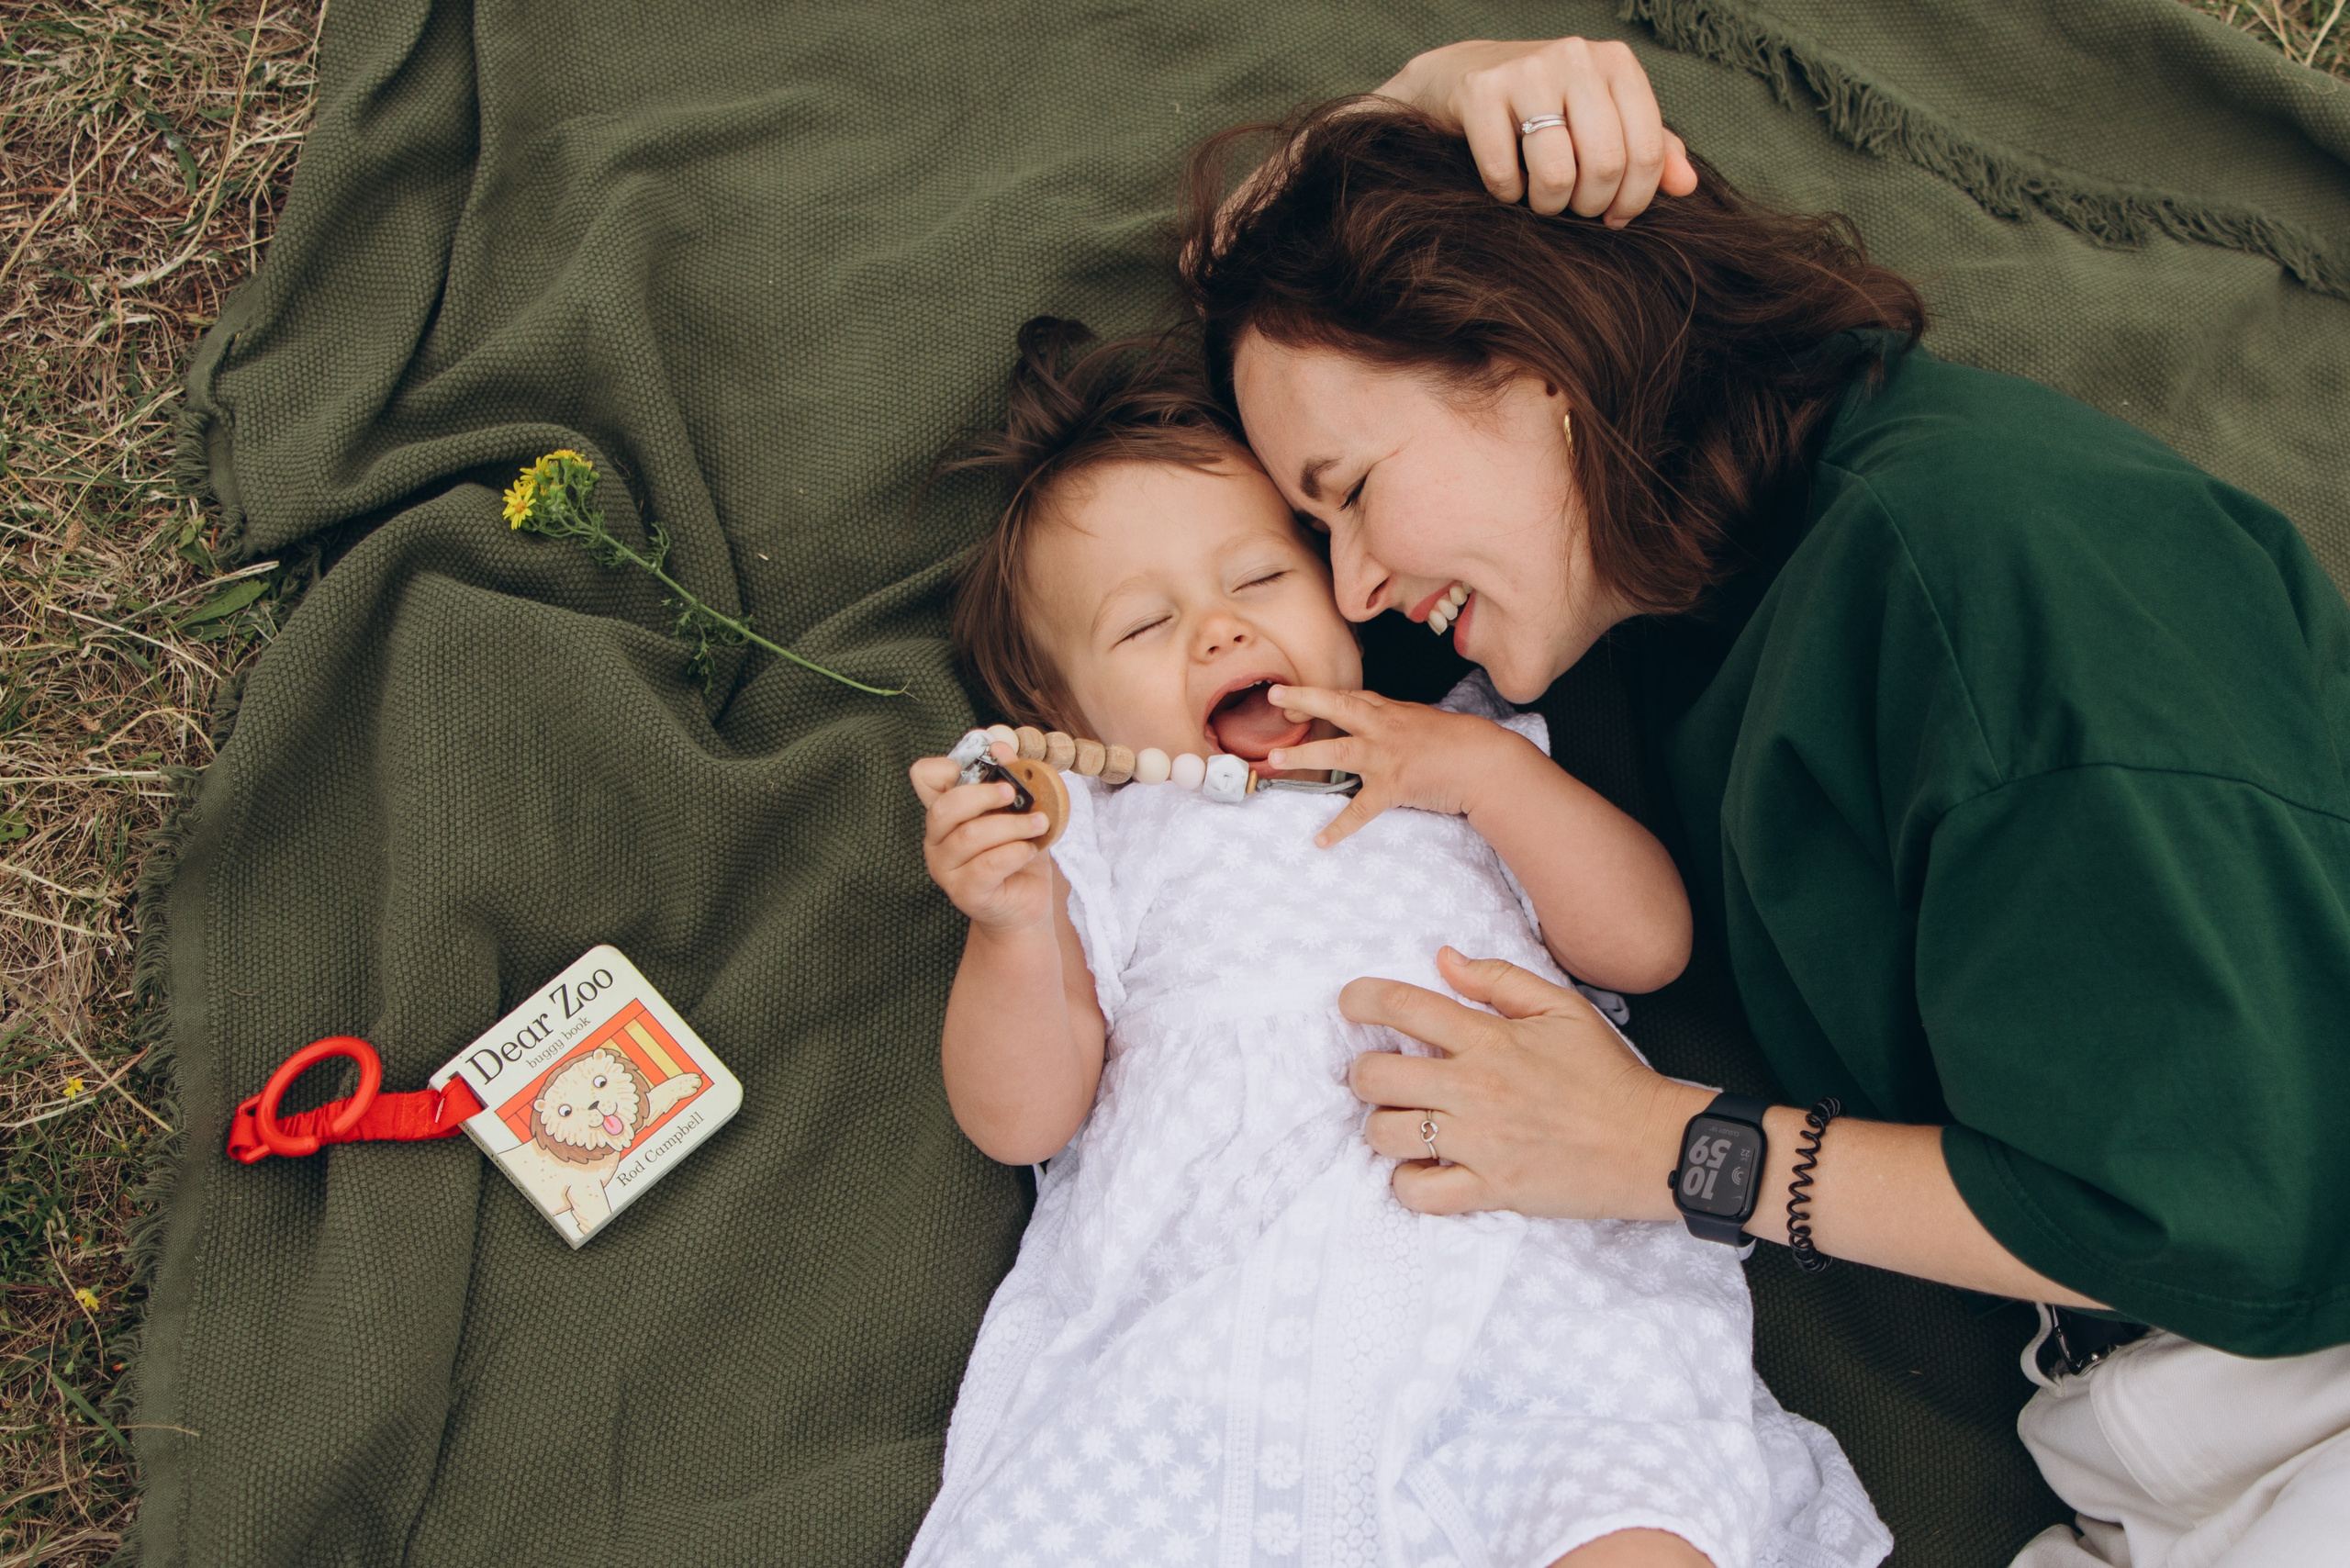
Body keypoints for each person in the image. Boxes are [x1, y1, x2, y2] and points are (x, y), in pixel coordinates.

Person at [1180, 43, 2350, 1568]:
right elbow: (1226, 316)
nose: (1350, 585)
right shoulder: (1676, 574)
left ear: (1528, 360)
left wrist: (1655, 1145)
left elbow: (2212, 1205)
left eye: (1348, 492)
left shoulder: (2000, 580)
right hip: (2148, 1450)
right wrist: (1413, 108)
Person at [901, 318, 1891, 1568]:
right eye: (1145, 629)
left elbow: (1647, 944)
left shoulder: (1471, 751)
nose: (1218, 631)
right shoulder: (1096, 839)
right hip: (1225, 1296)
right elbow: (1023, 1120)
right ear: (1058, 711)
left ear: (1341, 591)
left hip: (1522, 1254)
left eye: (1259, 581)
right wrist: (1009, 928)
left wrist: (1485, 775)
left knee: (1627, 1501)